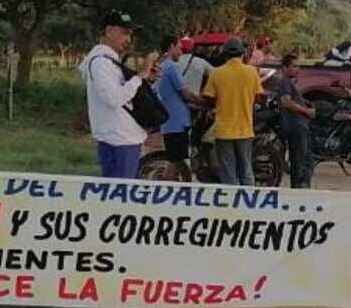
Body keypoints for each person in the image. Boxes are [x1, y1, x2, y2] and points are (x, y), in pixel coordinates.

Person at [83, 10, 158, 180]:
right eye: (125, 33)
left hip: (124, 138)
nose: (128, 40)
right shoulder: (100, 62)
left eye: (130, 34)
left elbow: (123, 91)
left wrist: (145, 77)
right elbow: (114, 98)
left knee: (120, 196)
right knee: (119, 199)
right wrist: (140, 76)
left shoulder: (109, 61)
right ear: (109, 31)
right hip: (119, 140)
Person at [203, 36, 263, 186]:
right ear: (242, 53)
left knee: (228, 171)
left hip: (223, 131)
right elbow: (259, 97)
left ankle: (231, 204)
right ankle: (249, 202)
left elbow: (208, 99)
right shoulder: (252, 72)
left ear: (225, 54)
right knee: (246, 169)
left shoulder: (216, 73)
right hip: (245, 130)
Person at [154, 36, 204, 181]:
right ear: (171, 47)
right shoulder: (171, 67)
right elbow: (186, 93)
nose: (181, 52)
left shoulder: (161, 66)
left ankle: (184, 187)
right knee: (177, 160)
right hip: (177, 122)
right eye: (179, 48)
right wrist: (204, 101)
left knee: (177, 160)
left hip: (169, 121)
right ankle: (172, 188)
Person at [267, 53, 316, 188]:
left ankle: (300, 189)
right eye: (294, 66)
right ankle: (298, 191)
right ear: (284, 67)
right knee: (300, 163)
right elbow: (286, 102)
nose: (297, 69)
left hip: (299, 126)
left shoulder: (289, 83)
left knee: (306, 162)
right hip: (296, 127)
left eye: (298, 66)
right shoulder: (285, 82)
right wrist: (306, 111)